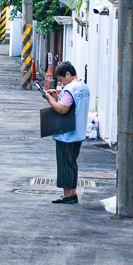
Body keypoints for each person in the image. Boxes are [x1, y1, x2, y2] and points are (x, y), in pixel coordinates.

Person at [42, 61, 90, 204]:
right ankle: (73, 194)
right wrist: (58, 97)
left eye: (61, 79)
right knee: (72, 163)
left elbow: (62, 109)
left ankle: (67, 195)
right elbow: (71, 105)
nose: (62, 83)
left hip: (66, 134)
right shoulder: (83, 87)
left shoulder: (70, 88)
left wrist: (49, 99)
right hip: (78, 132)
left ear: (68, 74)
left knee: (64, 164)